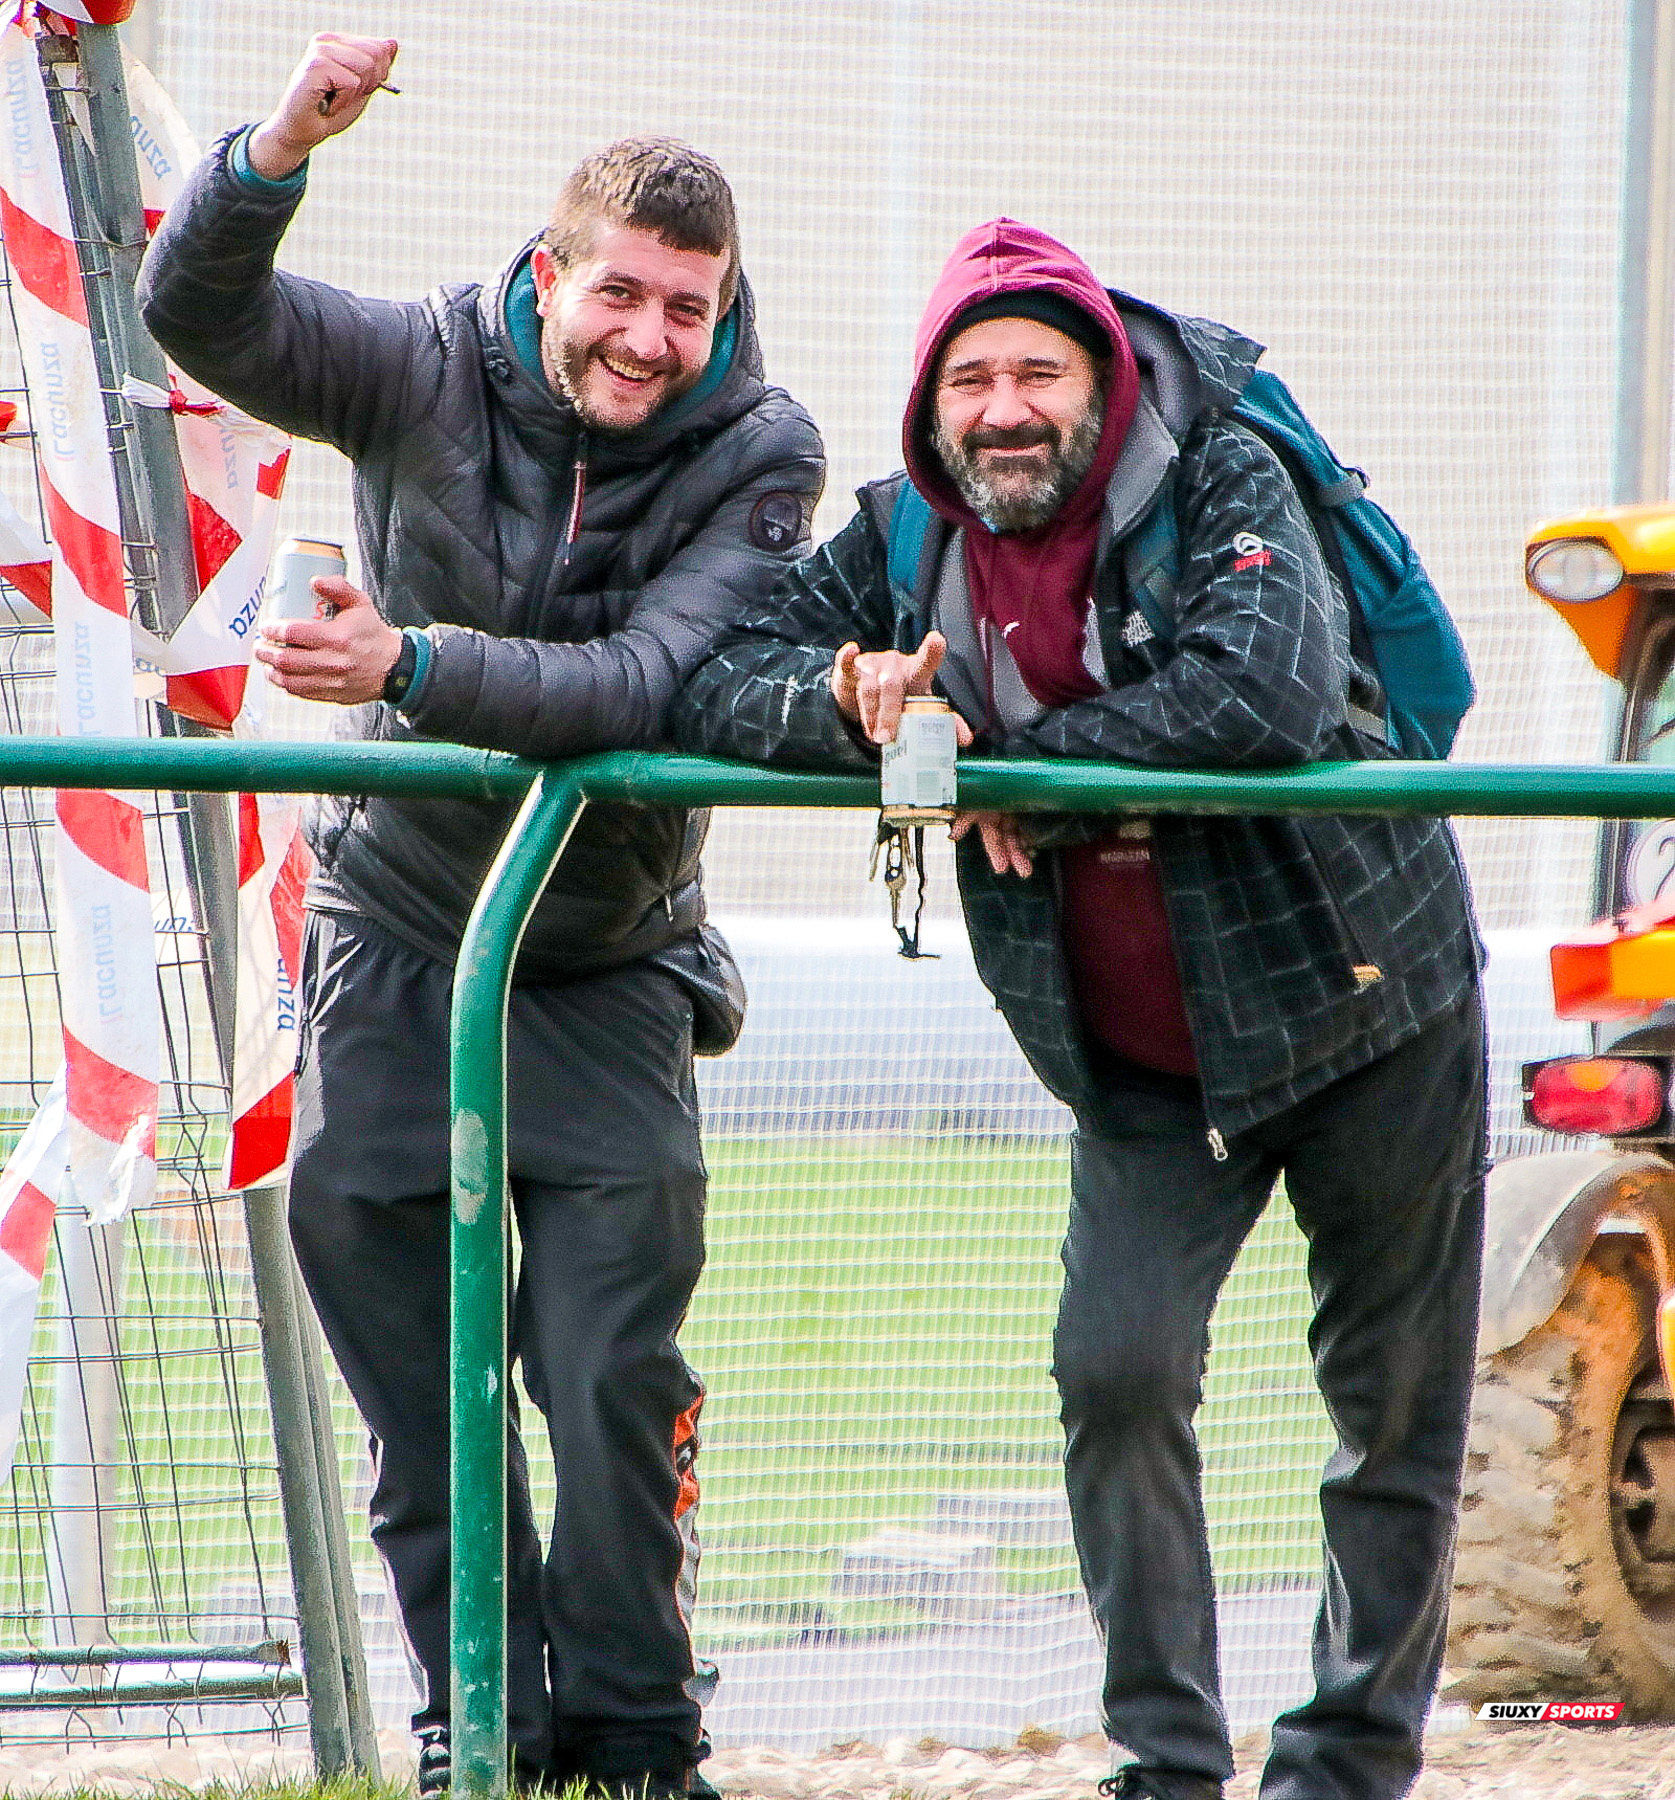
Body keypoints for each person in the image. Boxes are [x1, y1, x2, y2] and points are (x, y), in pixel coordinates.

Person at [671, 218, 1485, 1800]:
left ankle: (1347, 1767)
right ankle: (1165, 1765)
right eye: (970, 376)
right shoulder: (907, 533)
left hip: (1369, 1007)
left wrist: (1021, 772)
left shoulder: (1226, 473)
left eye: (1038, 368)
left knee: (1391, 1413)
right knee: (1114, 1373)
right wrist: (854, 699)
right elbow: (716, 672)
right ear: (931, 405)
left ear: (1101, 382)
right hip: (1137, 1070)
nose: (1005, 405)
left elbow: (1269, 691)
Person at [138, 32, 823, 1800]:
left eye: (688, 307)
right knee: (415, 1385)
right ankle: (480, 1724)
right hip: (397, 933)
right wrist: (283, 141)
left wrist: (407, 664)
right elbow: (199, 319)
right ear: (550, 275)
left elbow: (650, 679)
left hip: (605, 962)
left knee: (607, 1379)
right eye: (622, 293)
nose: (649, 338)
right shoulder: (425, 367)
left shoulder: (763, 448)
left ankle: (643, 1738)